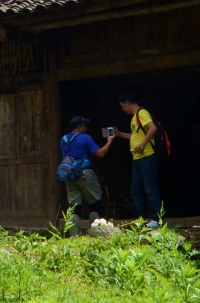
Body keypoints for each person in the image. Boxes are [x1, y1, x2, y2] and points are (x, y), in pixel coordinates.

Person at [110, 92, 164, 228]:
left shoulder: (142, 113)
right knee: (136, 189)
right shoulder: (134, 118)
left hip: (147, 156)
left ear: (128, 103)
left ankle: (156, 218)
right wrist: (120, 134)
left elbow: (153, 128)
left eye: (122, 106)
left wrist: (142, 145)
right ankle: (139, 218)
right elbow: (135, 136)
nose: (122, 109)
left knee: (150, 188)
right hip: (137, 158)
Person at [57, 115, 112, 235]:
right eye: (85, 125)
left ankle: (74, 237)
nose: (86, 128)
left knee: (74, 208)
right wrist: (110, 141)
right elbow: (100, 154)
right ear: (79, 126)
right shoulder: (85, 138)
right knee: (95, 203)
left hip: (69, 175)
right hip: (85, 173)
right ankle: (97, 234)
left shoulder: (63, 140)